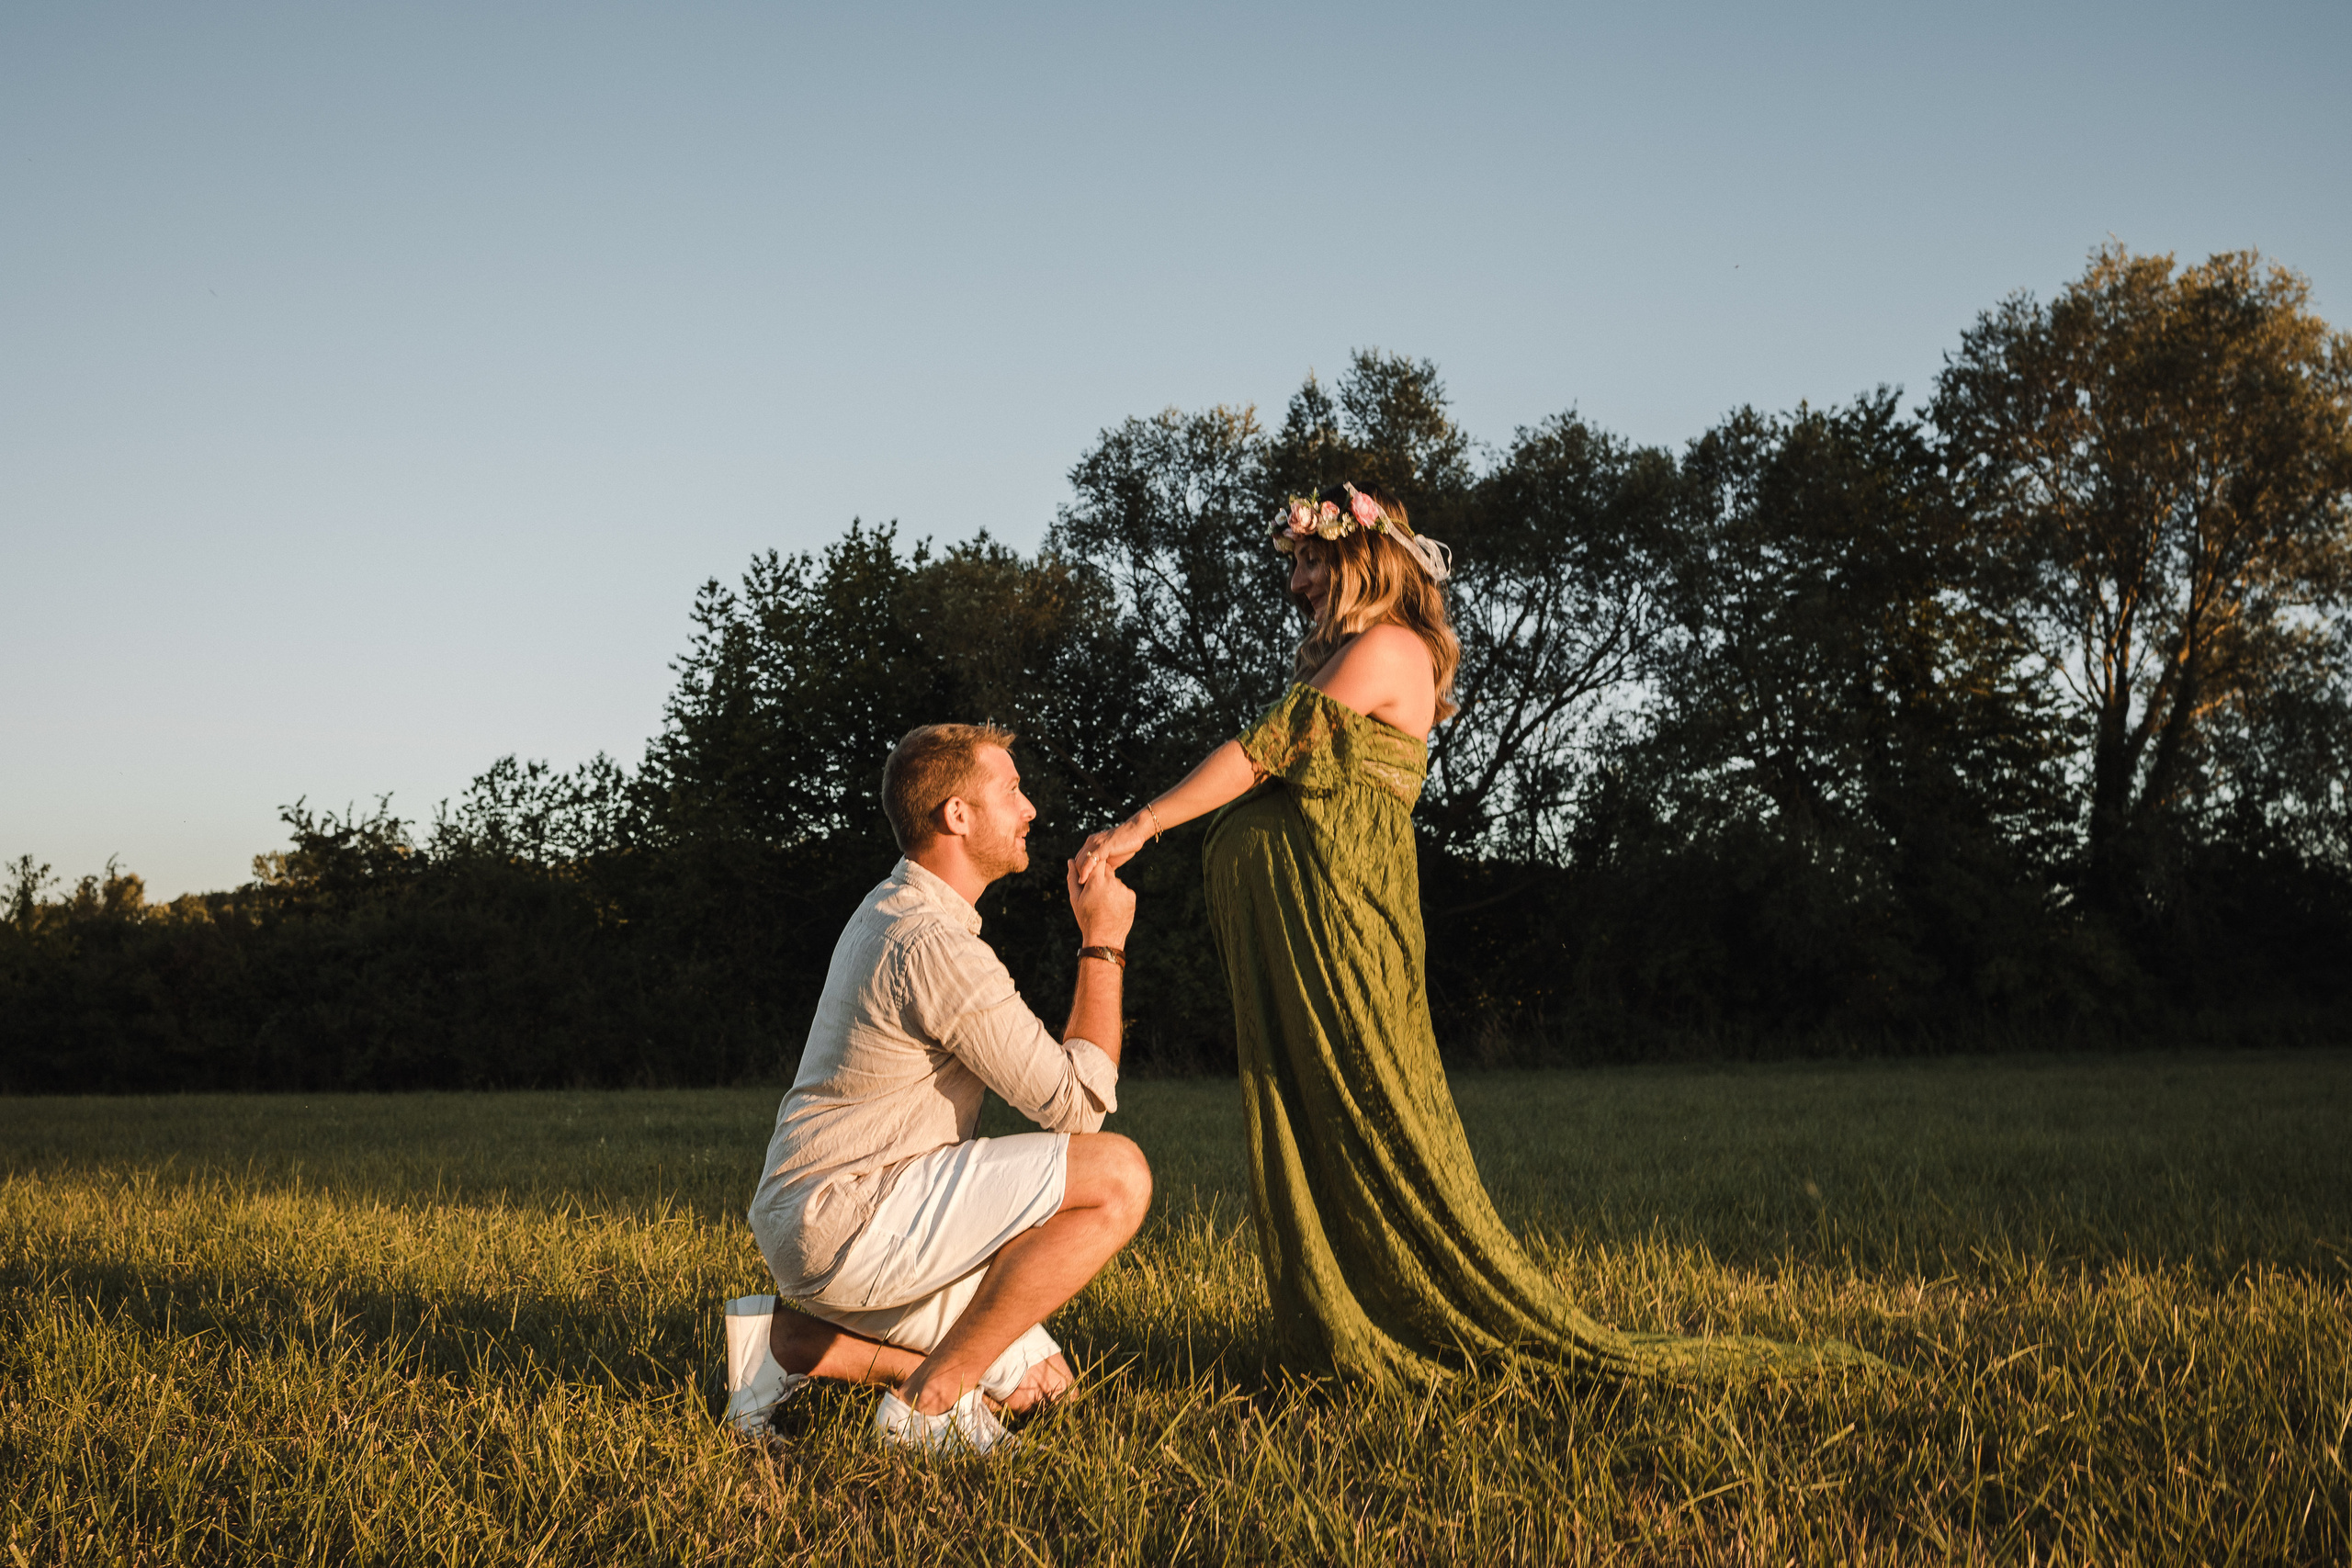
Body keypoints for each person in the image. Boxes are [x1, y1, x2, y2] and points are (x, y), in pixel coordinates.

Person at [1080, 483, 1860, 1384]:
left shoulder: (1385, 647)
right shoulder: (1355, 655)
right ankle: (1354, 1305)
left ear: (1356, 560)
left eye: (1305, 560)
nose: (1291, 579)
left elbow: (1265, 750)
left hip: (1342, 917)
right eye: (1291, 562)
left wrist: (1141, 824)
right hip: (1312, 921)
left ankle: (1427, 1309)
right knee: (1326, 1111)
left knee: (1372, 1105)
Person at [724, 722, 1152, 1453]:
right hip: (851, 1214)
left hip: (823, 1213)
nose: (1030, 809)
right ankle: (931, 1402)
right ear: (957, 815)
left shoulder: (898, 908)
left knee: (1042, 1385)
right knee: (1117, 1176)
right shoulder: (934, 944)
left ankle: (785, 1344)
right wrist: (1102, 940)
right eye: (1011, 789)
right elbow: (1079, 1110)